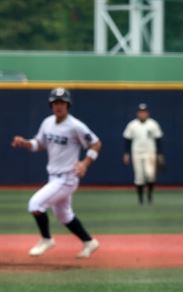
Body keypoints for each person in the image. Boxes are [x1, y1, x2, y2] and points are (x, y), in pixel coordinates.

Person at [11, 87, 101, 259]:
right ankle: (89, 242)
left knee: (35, 204)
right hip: (53, 176)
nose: (58, 106)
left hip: (67, 178)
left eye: (62, 102)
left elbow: (96, 144)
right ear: (51, 105)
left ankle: (46, 239)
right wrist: (25, 143)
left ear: (68, 105)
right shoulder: (47, 122)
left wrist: (85, 163)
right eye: (55, 103)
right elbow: (39, 143)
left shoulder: (75, 126)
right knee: (64, 215)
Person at [122, 103, 164, 205]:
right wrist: (126, 153)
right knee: (139, 177)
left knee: (150, 175)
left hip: (150, 153)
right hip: (136, 153)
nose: (142, 114)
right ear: (138, 113)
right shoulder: (132, 125)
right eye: (141, 112)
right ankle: (140, 199)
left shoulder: (153, 124)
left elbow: (158, 139)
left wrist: (160, 154)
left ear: (147, 113)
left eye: (144, 112)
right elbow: (127, 139)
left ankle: (149, 196)